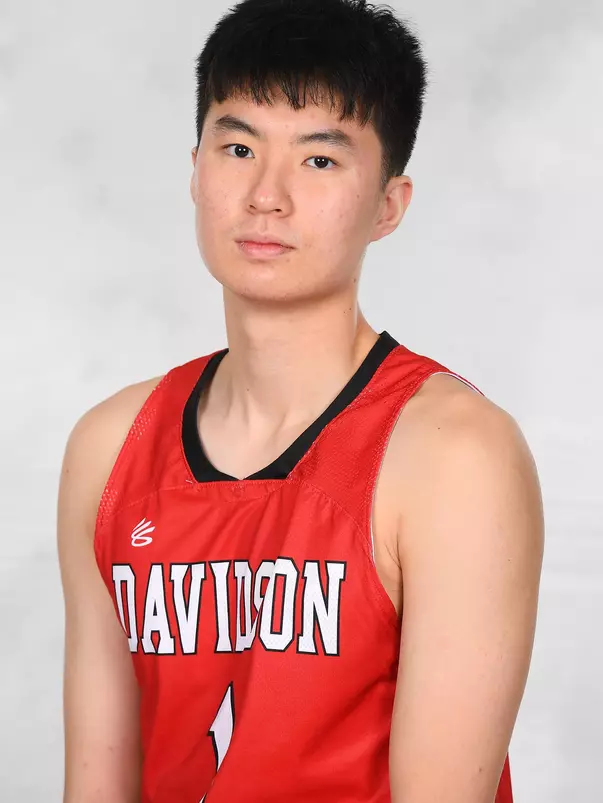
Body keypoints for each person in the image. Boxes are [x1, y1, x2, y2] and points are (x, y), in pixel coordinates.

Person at [57, 1, 545, 801]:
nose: (265, 195)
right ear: (194, 168)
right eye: (239, 146)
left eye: (319, 161)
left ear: (388, 204)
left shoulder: (453, 454)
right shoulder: (109, 448)